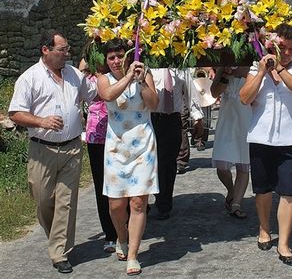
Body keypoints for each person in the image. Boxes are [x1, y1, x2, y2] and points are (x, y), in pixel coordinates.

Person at [8, 30, 96, 274]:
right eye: (62, 50)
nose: (66, 53)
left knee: (65, 202)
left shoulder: (74, 74)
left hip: (71, 149)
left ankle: (60, 252)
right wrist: (41, 121)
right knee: (43, 201)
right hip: (42, 150)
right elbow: (15, 113)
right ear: (45, 50)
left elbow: (94, 94)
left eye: (67, 49)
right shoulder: (30, 78)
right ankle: (56, 238)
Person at [240, 24, 292, 266]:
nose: (287, 51)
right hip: (261, 138)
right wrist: (261, 72)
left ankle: (284, 243)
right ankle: (264, 228)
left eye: (291, 48)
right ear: (272, 45)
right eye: (282, 47)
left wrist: (278, 68)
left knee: (288, 191)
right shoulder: (255, 69)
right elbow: (244, 97)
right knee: (262, 189)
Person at [97, 40, 159, 276]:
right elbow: (109, 95)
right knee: (116, 204)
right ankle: (121, 236)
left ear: (128, 56)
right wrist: (128, 77)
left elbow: (153, 104)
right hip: (116, 148)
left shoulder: (145, 75)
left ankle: (133, 255)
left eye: (119, 56)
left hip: (143, 145)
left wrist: (141, 80)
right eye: (111, 57)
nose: (115, 61)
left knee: (137, 203)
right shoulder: (104, 79)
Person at [150, 68, 204, 220]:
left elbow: (190, 91)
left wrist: (197, 117)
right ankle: (153, 196)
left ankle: (164, 202)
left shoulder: (180, 67)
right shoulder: (149, 66)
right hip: (151, 118)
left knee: (169, 163)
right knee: (155, 163)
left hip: (173, 118)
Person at [78, 55, 117, 253]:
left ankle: (125, 225)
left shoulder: (119, 73)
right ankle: (110, 233)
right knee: (102, 185)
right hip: (97, 135)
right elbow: (82, 68)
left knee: (121, 181)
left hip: (119, 134)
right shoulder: (89, 77)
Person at [210, 66, 252, 219]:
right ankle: (232, 191)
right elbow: (214, 92)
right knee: (222, 166)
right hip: (227, 118)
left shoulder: (253, 65)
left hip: (247, 116)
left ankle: (236, 204)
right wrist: (226, 73)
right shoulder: (224, 66)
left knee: (244, 163)